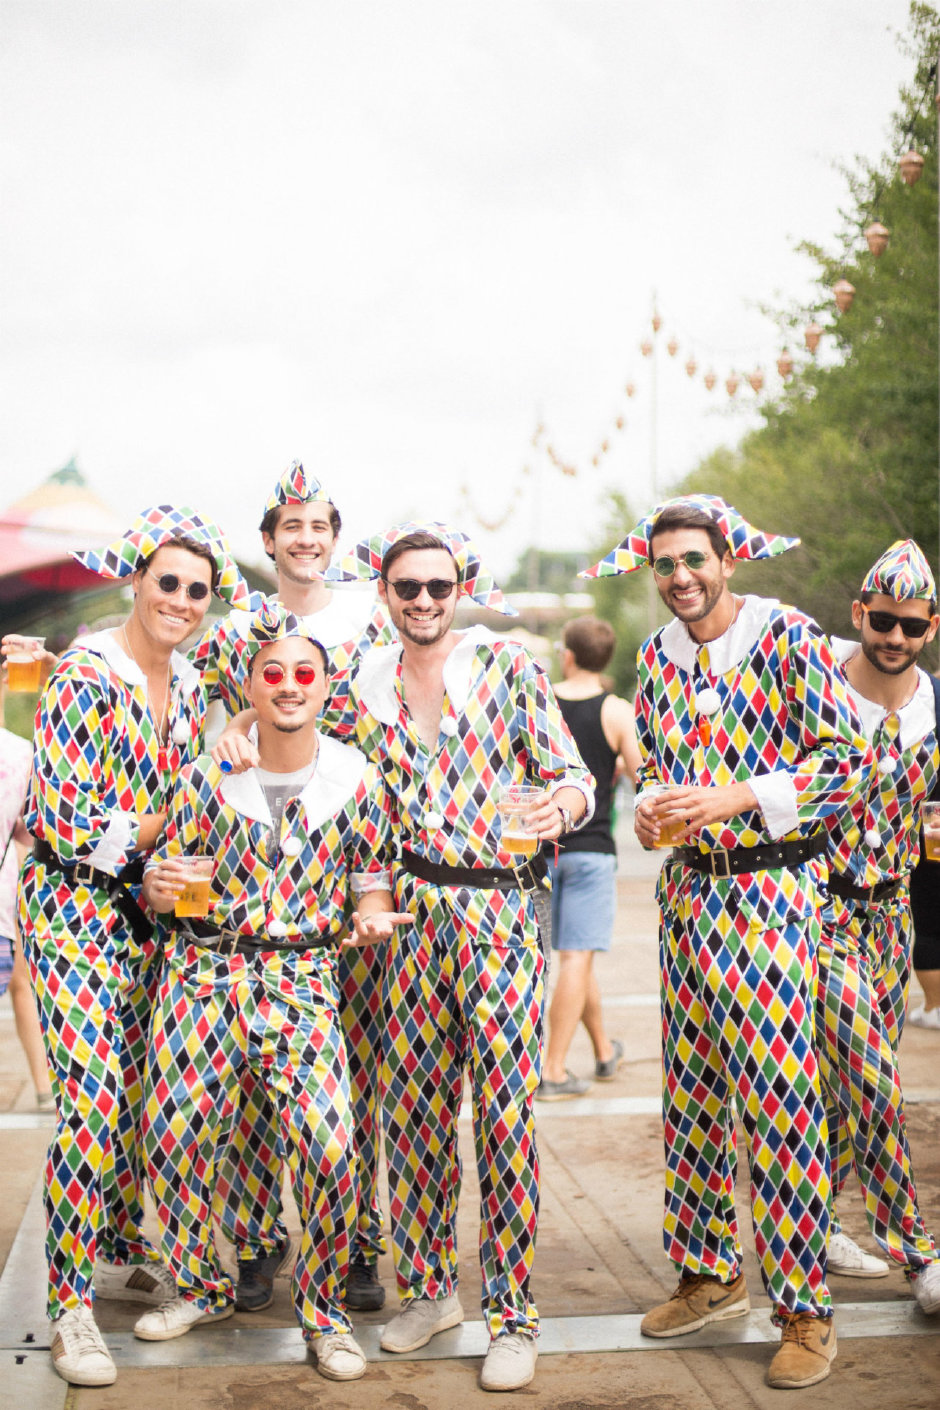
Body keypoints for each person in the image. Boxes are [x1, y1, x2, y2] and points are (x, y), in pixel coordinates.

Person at [216, 521, 594, 1393]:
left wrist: (566, 806)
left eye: (438, 586)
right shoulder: (361, 678)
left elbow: (572, 774)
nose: (423, 600)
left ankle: (513, 1316)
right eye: (407, 587)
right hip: (412, 916)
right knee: (415, 1117)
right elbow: (294, 712)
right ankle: (430, 1291)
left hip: (499, 910)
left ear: (459, 590)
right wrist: (238, 722)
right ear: (382, 593)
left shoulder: (506, 665)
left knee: (503, 1118)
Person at [583, 494, 873, 1390]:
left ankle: (805, 1310)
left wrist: (738, 796)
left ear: (727, 560)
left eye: (693, 561)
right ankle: (710, 1276)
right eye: (665, 565)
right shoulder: (657, 659)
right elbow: (660, 773)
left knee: (781, 1105)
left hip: (773, 893)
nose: (679, 578)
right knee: (696, 1100)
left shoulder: (786, 637)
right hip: (689, 897)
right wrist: (652, 815)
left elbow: (850, 765)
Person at [17, 506, 259, 1388]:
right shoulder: (85, 676)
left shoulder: (190, 685)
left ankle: (120, 1244)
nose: (183, 601)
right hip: (73, 907)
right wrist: (188, 801)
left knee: (140, 1099)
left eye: (198, 590)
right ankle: (69, 1307)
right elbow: (68, 821)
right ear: (136, 580)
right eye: (169, 582)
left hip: (155, 916)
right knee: (91, 1102)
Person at [135, 605, 408, 1382]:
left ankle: (324, 1314)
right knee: (175, 1135)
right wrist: (158, 888)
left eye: (303, 673)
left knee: (328, 1146)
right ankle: (198, 1286)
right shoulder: (205, 776)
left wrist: (371, 915)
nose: (289, 685)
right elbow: (165, 878)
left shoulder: (358, 779)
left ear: (326, 687)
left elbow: (370, 878)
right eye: (274, 673)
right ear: (251, 687)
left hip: (302, 978)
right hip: (205, 971)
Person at [193, 460, 395, 1314]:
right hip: (259, 866)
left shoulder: (372, 614)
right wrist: (237, 724)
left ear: (335, 539)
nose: (306, 540)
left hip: (352, 848)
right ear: (269, 541)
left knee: (354, 1070)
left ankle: (355, 1242)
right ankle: (254, 1238)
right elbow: (213, 715)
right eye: (292, 528)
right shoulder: (239, 625)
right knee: (247, 1075)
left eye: (319, 527)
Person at [815, 538, 940, 1304]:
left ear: (931, 627)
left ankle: (821, 1222)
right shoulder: (818, 689)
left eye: (912, 625)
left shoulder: (937, 703)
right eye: (883, 620)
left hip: (892, 915)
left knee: (848, 1086)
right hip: (818, 911)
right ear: (860, 612)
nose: (895, 637)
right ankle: (920, 1255)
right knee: (875, 1078)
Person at [537, 614, 640, 1099]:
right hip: (592, 851)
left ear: (569, 654)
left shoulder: (542, 701)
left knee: (575, 959)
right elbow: (643, 777)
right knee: (577, 956)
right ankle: (554, 1070)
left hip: (540, 850)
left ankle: (602, 1050)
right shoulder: (616, 711)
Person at [0, 721, 52, 1107]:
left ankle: (43, 1084)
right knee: (21, 981)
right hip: (3, 913)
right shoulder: (19, 755)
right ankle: (44, 1085)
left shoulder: (19, 755)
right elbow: (33, 834)